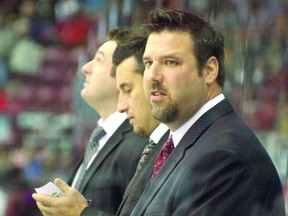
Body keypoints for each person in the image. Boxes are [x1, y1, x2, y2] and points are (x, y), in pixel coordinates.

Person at [130, 8, 286, 215]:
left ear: (209, 70)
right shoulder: (181, 141)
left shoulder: (223, 156)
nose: (153, 76)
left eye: (170, 62)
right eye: (148, 63)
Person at [32, 28, 148, 215]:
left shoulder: (140, 142)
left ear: (123, 72)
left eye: (99, 60)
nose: (85, 67)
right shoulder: (99, 138)